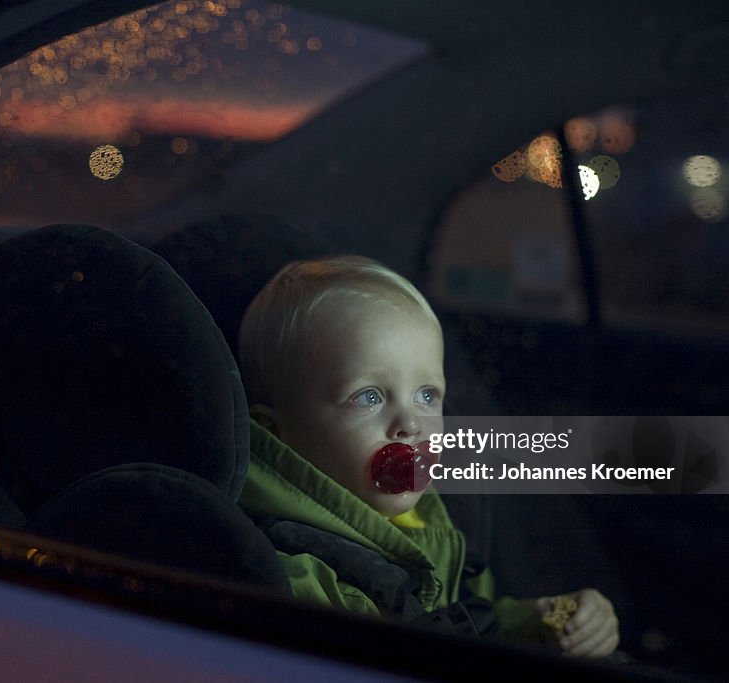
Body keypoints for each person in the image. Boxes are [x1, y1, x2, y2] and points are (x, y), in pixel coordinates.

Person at [237, 255, 619, 657]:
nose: (411, 424)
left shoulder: (432, 519)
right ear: (276, 432)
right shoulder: (296, 578)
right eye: (368, 397)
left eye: (426, 395)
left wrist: (546, 622)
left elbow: (463, 618)